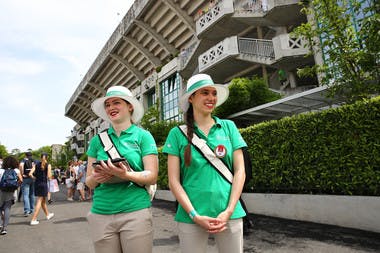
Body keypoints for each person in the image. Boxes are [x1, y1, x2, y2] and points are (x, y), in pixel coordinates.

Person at [163, 73, 247, 253]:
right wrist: (194, 215)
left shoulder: (228, 127)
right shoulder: (177, 134)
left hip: (229, 213)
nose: (211, 98)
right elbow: (173, 181)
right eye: (205, 93)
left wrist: (229, 210)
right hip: (191, 215)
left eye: (213, 93)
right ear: (191, 98)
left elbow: (240, 171)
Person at [85, 85, 158, 253]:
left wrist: (126, 174)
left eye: (116, 103)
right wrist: (98, 177)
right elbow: (89, 182)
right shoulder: (97, 140)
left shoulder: (143, 136)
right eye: (108, 105)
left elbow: (152, 176)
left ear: (130, 106)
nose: (111, 107)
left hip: (135, 211)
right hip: (101, 212)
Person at [29, 153, 54, 225]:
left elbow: (30, 174)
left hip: (37, 184)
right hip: (43, 184)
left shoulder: (36, 164)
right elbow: (49, 176)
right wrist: (50, 176)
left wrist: (34, 178)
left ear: (40, 157)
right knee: (40, 201)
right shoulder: (48, 165)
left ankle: (47, 214)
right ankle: (33, 219)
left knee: (43, 201)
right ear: (47, 157)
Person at [0, 156, 23, 235]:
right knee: (7, 208)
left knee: (0, 208)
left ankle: (0, 223)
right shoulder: (16, 170)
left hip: (1, 192)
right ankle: (4, 228)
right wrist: (16, 186)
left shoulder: (1, 170)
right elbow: (21, 180)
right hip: (12, 192)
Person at [19, 151, 35, 217]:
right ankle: (32, 209)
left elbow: (21, 165)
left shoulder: (23, 160)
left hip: (25, 178)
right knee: (32, 194)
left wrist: (22, 173)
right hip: (32, 178)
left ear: (25, 155)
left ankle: (27, 210)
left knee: (25, 195)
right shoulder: (33, 160)